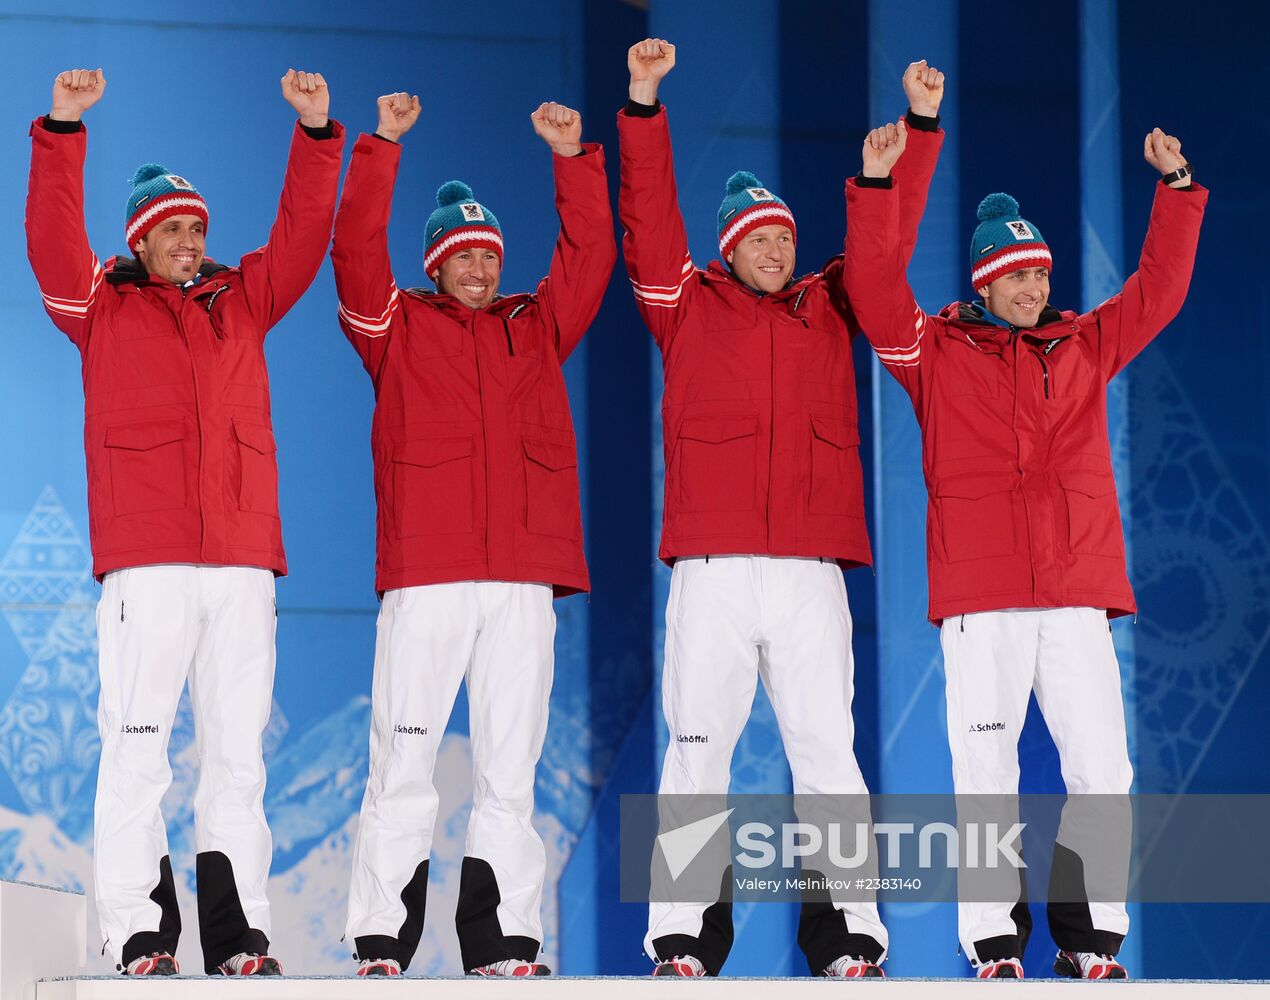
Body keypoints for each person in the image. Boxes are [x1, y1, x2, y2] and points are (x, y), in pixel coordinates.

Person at [844, 118, 1206, 979]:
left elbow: (1157, 291)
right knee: (985, 772)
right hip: (985, 597)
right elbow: (870, 285)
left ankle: (1088, 940)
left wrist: (1178, 187)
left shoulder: (1081, 345)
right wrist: (878, 184)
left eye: (1043, 271)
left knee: (1103, 768)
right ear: (986, 282)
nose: (1035, 286)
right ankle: (994, 945)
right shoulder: (933, 352)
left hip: (1076, 590)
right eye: (1019, 276)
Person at [618, 39, 945, 978]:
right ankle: (682, 938)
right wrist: (643, 101)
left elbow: (889, 239)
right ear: (730, 248)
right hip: (714, 570)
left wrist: (914, 138)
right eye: (761, 237)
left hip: (810, 568)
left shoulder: (833, 302)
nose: (778, 246)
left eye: (786, 235)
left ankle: (849, 938)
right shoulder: (685, 302)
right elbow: (645, 212)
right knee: (697, 756)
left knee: (826, 755)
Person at [25, 68, 345, 976]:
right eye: (174, 229)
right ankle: (139, 935)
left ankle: (240, 938)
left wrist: (317, 135)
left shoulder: (242, 300)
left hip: (242, 561)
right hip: (148, 562)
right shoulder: (101, 306)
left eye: (199, 228)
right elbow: (51, 238)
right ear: (140, 240)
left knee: (238, 762)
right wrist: (63, 129)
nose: (191, 241)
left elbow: (300, 240)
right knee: (138, 753)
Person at [331, 91, 615, 978]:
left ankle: (501, 943)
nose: (480, 269)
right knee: (405, 761)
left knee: (509, 769)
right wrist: (380, 147)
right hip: (431, 575)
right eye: (463, 257)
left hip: (523, 579)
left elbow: (592, 255)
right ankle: (383, 939)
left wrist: (573, 162)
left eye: (490, 255)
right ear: (436, 265)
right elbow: (351, 254)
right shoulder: (395, 327)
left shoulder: (538, 326)